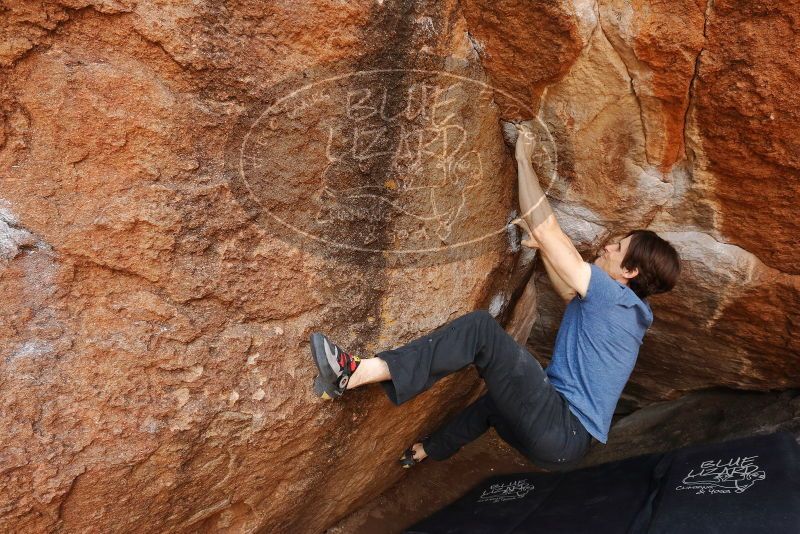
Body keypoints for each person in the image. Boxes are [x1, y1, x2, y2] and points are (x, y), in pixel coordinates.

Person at [308, 124, 681, 471]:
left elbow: (551, 230)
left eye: (618, 247)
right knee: (500, 399)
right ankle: (427, 450)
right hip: (561, 447)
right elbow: (569, 292)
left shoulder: (612, 296)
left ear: (629, 272)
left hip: (559, 424)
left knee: (481, 332)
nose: (607, 246)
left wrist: (523, 160)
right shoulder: (629, 313)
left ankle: (356, 372)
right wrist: (545, 250)